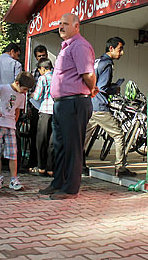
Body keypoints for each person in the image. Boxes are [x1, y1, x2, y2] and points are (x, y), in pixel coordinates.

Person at [39, 13, 97, 200]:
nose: (61, 27)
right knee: (60, 146)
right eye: (60, 24)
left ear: (76, 26)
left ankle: (70, 189)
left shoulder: (80, 46)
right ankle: (58, 183)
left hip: (74, 102)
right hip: (62, 103)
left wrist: (91, 89)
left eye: (65, 24)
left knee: (72, 147)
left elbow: (88, 74)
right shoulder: (67, 47)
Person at [85, 37, 136, 177]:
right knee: (119, 134)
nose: (122, 53)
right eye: (120, 49)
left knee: (84, 137)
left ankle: (76, 164)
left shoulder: (97, 61)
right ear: (111, 48)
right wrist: (115, 88)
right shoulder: (107, 64)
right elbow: (102, 87)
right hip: (100, 106)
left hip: (90, 104)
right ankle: (120, 168)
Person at [0, 71, 35, 191]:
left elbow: (17, 111)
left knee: (12, 153)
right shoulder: (2, 88)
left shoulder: (22, 96)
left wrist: (13, 122)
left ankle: (14, 178)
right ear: (17, 83)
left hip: (10, 126)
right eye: (24, 89)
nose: (25, 92)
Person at [31, 58, 54, 177]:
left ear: (43, 69)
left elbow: (37, 96)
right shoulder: (57, 77)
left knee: (41, 140)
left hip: (45, 111)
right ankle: (51, 168)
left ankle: (41, 167)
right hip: (56, 112)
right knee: (52, 141)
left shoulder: (43, 78)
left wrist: (32, 94)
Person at [27, 45, 48, 173]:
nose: (41, 58)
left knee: (46, 137)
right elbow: (29, 91)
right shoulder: (33, 72)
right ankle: (33, 162)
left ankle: (45, 164)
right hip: (35, 107)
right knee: (34, 136)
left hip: (48, 109)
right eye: (39, 56)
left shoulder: (52, 72)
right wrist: (29, 108)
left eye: (43, 55)